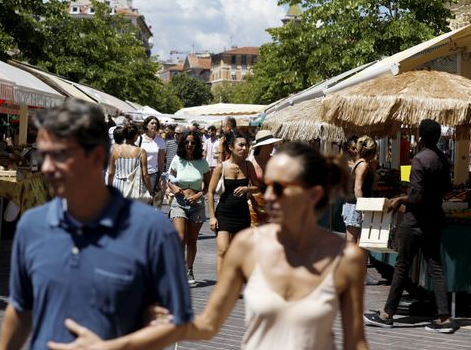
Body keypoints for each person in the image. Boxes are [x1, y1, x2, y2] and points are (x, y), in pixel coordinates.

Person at [47, 142, 368, 350]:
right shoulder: (248, 246)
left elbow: (356, 343)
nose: (267, 196)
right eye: (266, 186)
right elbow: (206, 324)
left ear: (313, 194)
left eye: (280, 188)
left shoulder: (346, 259)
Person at [0, 99, 193, 349]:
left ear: (97, 157)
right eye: (43, 155)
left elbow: (177, 323)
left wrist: (112, 346)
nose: (46, 168)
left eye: (58, 155)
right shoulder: (32, 226)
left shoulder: (152, 231)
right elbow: (20, 309)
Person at [364, 119, 455, 333]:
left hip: (415, 222)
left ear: (421, 136)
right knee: (436, 267)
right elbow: (447, 190)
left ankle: (387, 314)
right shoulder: (443, 159)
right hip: (435, 220)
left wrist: (401, 200)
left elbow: (416, 196)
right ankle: (444, 318)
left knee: (402, 267)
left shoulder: (419, 159)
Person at [208, 130, 259, 276]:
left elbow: (259, 187)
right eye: (241, 145)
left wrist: (247, 188)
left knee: (237, 252)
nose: (245, 148)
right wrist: (212, 217)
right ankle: (221, 284)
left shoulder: (248, 166)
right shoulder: (221, 167)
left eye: (247, 145)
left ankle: (233, 282)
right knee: (223, 250)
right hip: (224, 213)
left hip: (242, 213)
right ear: (231, 147)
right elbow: (210, 192)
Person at [167, 129, 211, 285]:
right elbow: (169, 179)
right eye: (187, 142)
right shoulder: (177, 160)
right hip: (179, 202)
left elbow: (208, 186)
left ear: (197, 144)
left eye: (193, 142)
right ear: (182, 143)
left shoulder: (203, 162)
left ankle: (189, 269)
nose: (190, 145)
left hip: (197, 205)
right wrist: (173, 188)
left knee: (191, 241)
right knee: (179, 237)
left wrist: (199, 195)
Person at [342, 135, 377, 244]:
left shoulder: (361, 163)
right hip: (355, 206)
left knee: (357, 243)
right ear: (372, 152)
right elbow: (358, 188)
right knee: (351, 243)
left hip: (355, 205)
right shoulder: (363, 165)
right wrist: (363, 210)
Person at [247, 130, 282, 227]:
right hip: (254, 203)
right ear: (262, 146)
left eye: (272, 144)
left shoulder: (275, 161)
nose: (272, 146)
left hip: (272, 203)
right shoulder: (250, 162)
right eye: (270, 144)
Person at [108, 124, 152, 197]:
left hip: (118, 187)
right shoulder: (141, 151)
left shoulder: (115, 150)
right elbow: (145, 175)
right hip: (134, 188)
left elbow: (110, 173)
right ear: (135, 136)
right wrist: (150, 191)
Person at [140, 116, 167, 208]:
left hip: (152, 174)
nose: (154, 125)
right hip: (139, 173)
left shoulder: (160, 141)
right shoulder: (139, 139)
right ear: (146, 125)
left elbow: (161, 162)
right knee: (139, 199)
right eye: (152, 123)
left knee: (151, 198)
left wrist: (160, 177)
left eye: (156, 124)